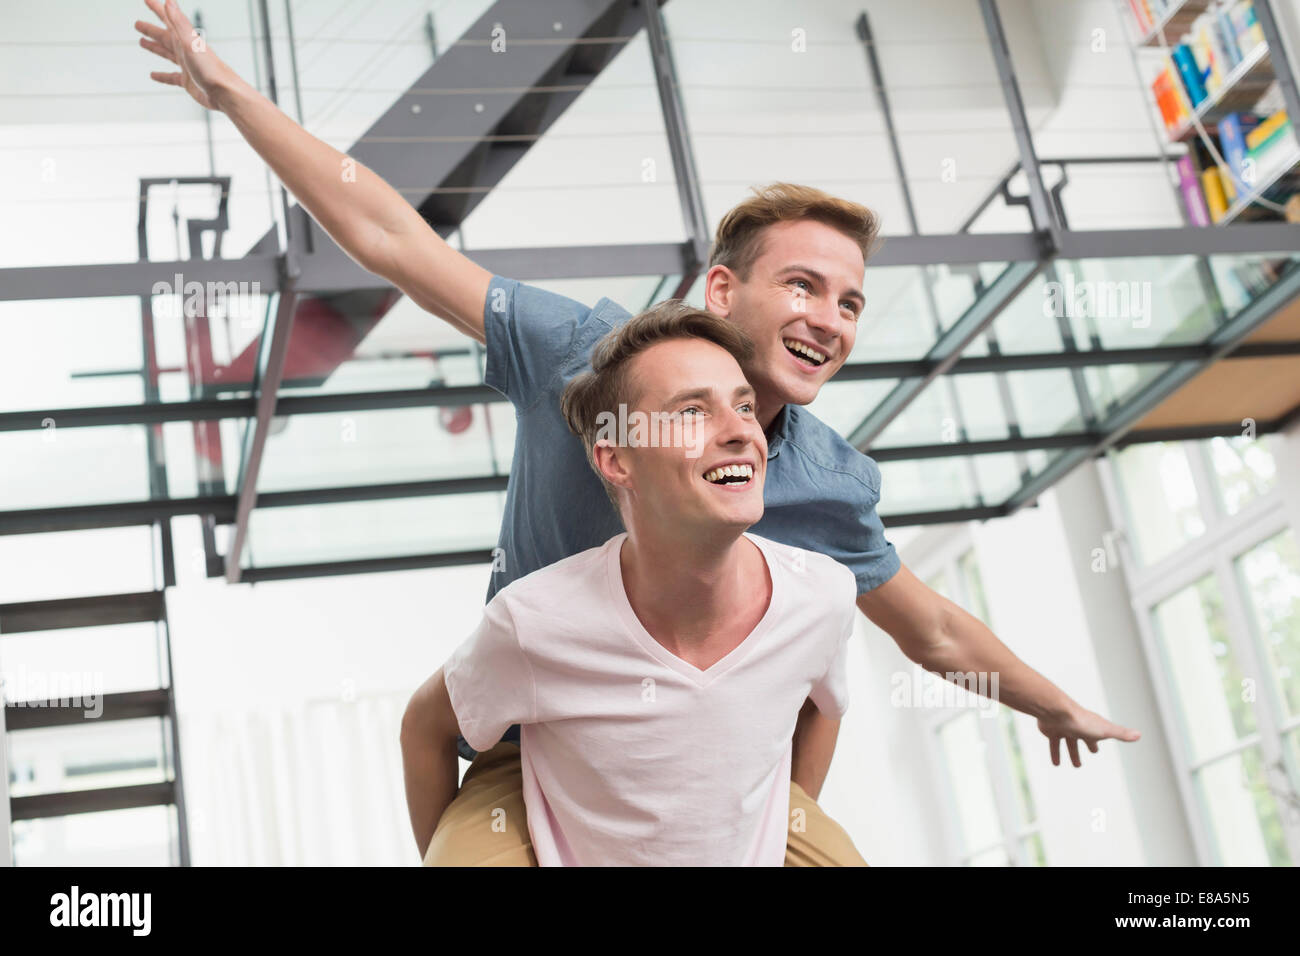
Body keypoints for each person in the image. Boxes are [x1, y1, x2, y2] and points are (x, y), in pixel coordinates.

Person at [138, 0, 1142, 866]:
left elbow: (929, 629)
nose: (831, 318)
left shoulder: (825, 484)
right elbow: (390, 234)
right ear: (721, 288)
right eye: (802, 284)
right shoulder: (576, 354)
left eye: (849, 301)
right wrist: (231, 94)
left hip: (712, 754)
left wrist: (1048, 702)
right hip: (534, 735)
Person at [409, 302, 866, 865]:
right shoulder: (535, 623)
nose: (740, 432)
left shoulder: (823, 595)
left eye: (744, 406)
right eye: (693, 412)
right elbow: (424, 728)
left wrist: (785, 819)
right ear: (616, 459)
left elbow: (826, 703)